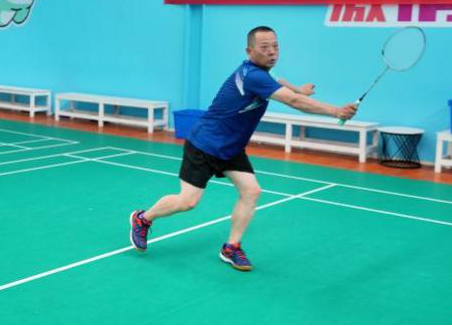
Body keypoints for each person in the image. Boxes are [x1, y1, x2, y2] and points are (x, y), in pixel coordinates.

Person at [130, 26, 357, 271]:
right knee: (188, 201)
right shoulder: (253, 76)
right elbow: (293, 101)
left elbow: (278, 81)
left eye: (275, 46)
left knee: (251, 191)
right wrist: (335, 111)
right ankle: (142, 219)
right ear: (249, 51)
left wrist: (298, 89)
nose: (272, 52)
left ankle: (231, 247)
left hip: (232, 147)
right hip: (205, 143)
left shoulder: (261, 72)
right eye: (265, 48)